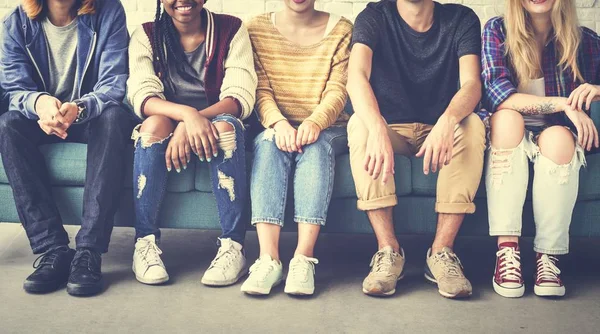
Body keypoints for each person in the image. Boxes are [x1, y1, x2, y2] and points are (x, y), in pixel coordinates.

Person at [347, 0, 485, 298]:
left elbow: (472, 83)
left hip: (440, 131)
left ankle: (441, 253)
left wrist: (448, 120)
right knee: (360, 124)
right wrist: (376, 126)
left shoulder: (461, 18)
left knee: (472, 124)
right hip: (391, 130)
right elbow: (356, 75)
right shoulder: (374, 16)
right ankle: (388, 252)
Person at [0, 0, 131, 296]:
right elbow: (13, 87)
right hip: (43, 118)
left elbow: (114, 83)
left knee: (114, 118)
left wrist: (79, 108)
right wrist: (40, 104)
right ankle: (53, 249)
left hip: (89, 115)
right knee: (8, 124)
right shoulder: (16, 22)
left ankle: (89, 251)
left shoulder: (108, 11)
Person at [126, 0, 257, 286]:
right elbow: (143, 96)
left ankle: (233, 245)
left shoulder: (231, 29)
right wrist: (186, 117)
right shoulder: (147, 35)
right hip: (171, 120)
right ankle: (144, 242)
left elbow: (239, 96)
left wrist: (194, 122)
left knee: (225, 128)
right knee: (151, 127)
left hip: (216, 121)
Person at [482, 0, 600, 298]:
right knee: (507, 119)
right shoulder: (497, 30)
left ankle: (548, 256)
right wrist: (564, 103)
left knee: (560, 138)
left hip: (555, 131)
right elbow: (499, 95)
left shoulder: (583, 40)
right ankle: (507, 251)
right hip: (507, 130)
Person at [241, 0, 352, 296]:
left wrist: (314, 123)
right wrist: (278, 125)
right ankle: (269, 259)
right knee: (267, 145)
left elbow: (338, 90)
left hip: (329, 127)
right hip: (276, 124)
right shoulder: (256, 28)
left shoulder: (342, 30)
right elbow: (259, 89)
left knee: (315, 148)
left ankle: (303, 258)